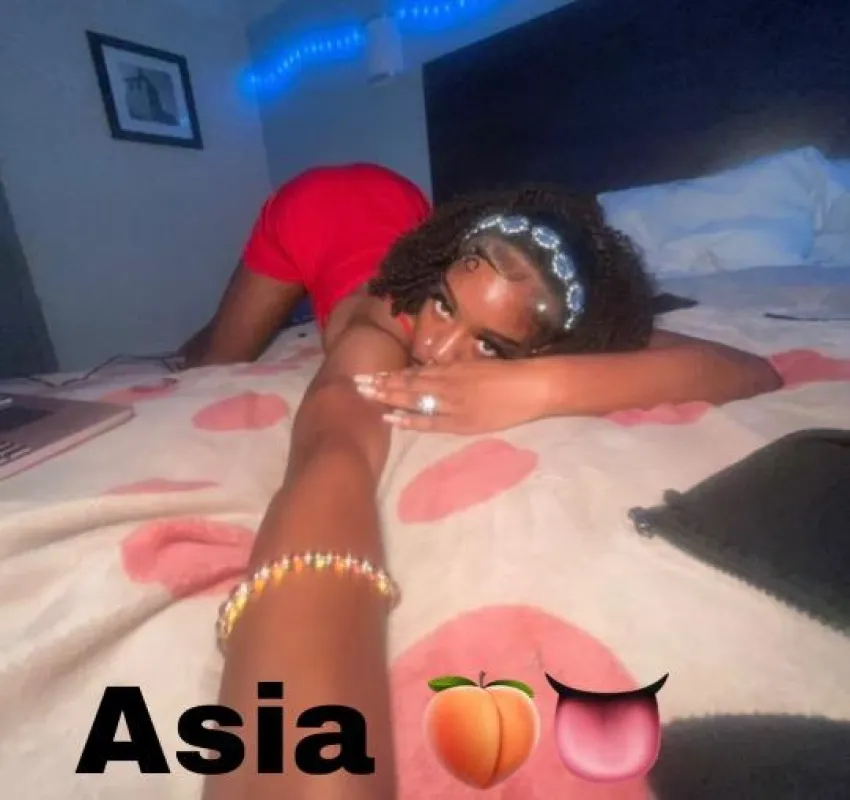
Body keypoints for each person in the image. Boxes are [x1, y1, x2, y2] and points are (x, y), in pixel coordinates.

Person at [201, 164, 782, 800]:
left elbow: (749, 370)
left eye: (490, 346)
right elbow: (332, 441)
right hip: (306, 213)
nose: (436, 349)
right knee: (212, 359)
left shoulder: (537, 294)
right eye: (443, 304)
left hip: (403, 209)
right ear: (433, 271)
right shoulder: (387, 317)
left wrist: (534, 386)